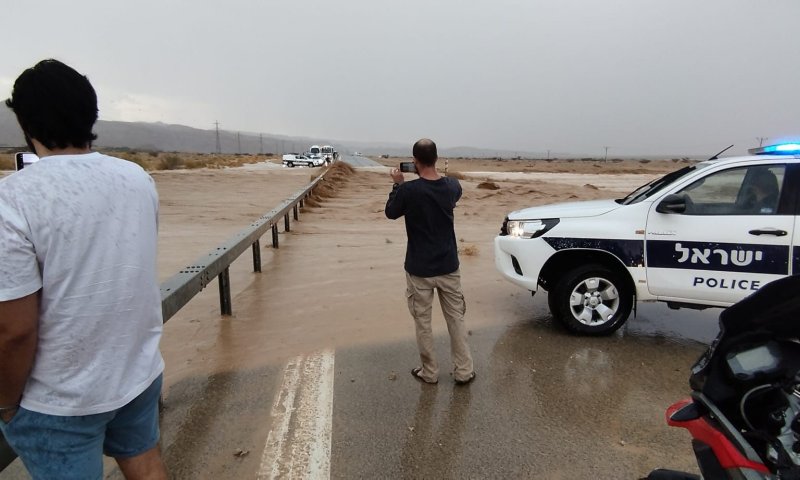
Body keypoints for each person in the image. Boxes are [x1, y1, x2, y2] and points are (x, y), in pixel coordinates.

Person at [0, 59, 167, 479]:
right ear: (91, 114)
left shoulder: (12, 199)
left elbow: (15, 331)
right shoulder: (138, 179)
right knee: (146, 465)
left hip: (58, 399)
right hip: (138, 374)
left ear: (24, 122)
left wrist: (5, 401)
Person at [385, 138, 476, 385]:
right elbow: (454, 192)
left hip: (419, 269)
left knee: (423, 322)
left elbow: (391, 212)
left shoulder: (407, 191)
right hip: (448, 265)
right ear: (436, 159)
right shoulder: (452, 186)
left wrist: (397, 185)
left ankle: (430, 371)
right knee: (456, 319)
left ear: (414, 162)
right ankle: (464, 371)